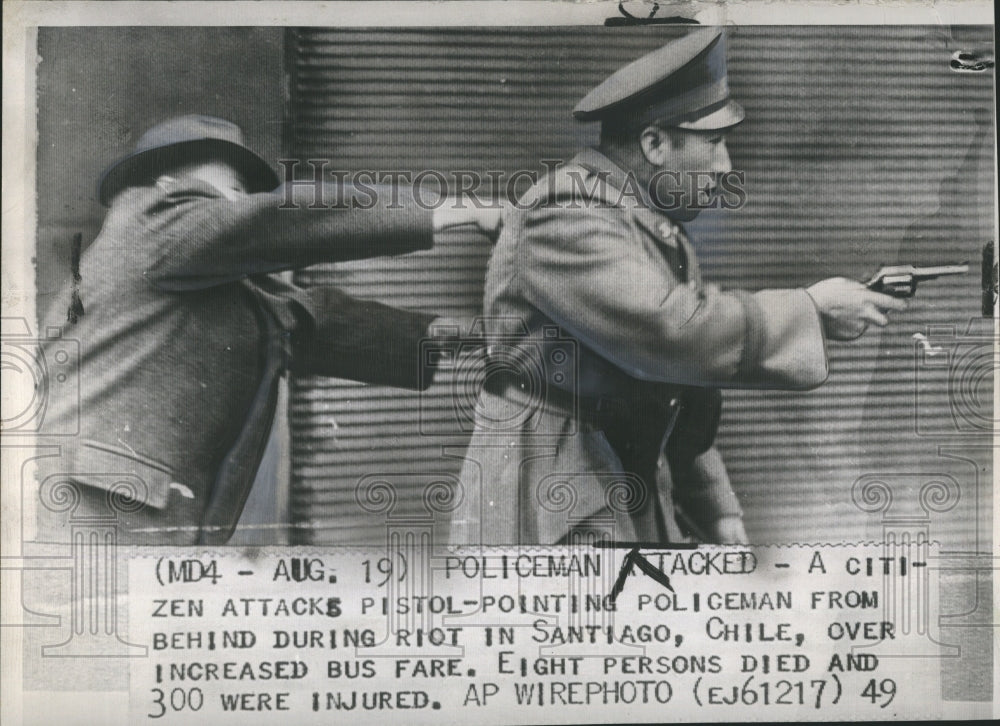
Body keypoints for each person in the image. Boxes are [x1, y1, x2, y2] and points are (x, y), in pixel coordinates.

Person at [448, 28, 906, 546]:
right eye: (713, 144)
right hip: (549, 497)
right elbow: (671, 334)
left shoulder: (645, 223)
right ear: (654, 143)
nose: (725, 167)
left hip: (610, 484)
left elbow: (679, 385)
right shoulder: (565, 214)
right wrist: (811, 310)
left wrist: (715, 507)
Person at [35, 114, 500, 545]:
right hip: (87, 500)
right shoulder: (149, 218)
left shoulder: (209, 282)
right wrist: (450, 210)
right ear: (167, 182)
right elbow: (272, 219)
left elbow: (308, 320)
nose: (243, 204)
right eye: (232, 189)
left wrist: (461, 334)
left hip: (125, 503)